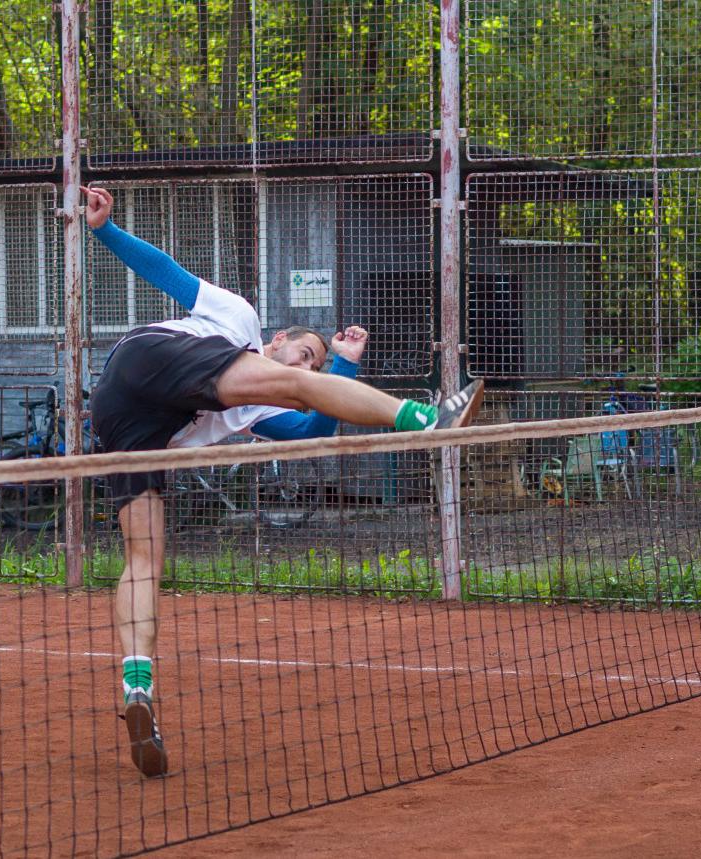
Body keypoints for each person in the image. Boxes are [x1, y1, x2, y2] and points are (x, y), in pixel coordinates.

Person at [82, 185, 483, 777]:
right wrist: (104, 230)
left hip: (123, 421)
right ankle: (425, 418)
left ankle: (136, 688)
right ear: (275, 341)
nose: (307, 364)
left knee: (145, 557)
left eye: (317, 363)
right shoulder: (237, 320)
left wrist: (343, 364)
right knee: (289, 388)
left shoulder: (253, 409)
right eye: (306, 351)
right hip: (146, 358)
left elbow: (309, 430)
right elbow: (165, 271)